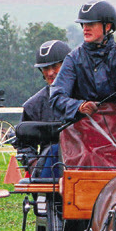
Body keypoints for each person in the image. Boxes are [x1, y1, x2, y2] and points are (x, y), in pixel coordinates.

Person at [49, 0, 116, 167]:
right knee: (89, 155)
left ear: (108, 27)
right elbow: (57, 97)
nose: (85, 28)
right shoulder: (73, 59)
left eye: (91, 24)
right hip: (82, 126)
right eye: (83, 24)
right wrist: (80, 106)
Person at [17, 40, 71, 176]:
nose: (50, 73)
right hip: (50, 170)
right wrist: (33, 164)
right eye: (45, 68)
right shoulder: (33, 105)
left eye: (55, 66)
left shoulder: (86, 98)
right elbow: (24, 143)